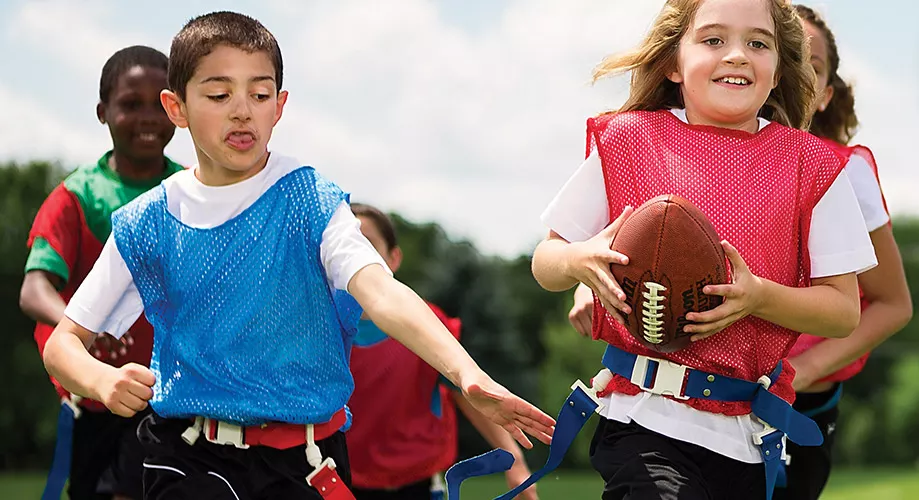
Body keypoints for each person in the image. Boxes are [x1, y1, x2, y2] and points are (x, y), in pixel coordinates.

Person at [40, 12, 555, 499]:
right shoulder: (147, 222)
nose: (242, 110)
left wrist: (470, 375)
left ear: (279, 106)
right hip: (187, 458)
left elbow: (381, 292)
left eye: (259, 94)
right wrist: (102, 381)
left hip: (307, 465)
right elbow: (62, 345)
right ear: (176, 108)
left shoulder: (309, 200)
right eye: (219, 94)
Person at [530, 0, 876, 498]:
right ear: (674, 61)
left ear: (778, 70)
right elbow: (546, 262)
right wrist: (578, 260)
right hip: (642, 417)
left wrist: (758, 296)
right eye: (713, 40)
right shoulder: (629, 140)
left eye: (758, 43)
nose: (737, 55)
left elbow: (844, 311)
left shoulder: (814, 168)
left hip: (747, 437)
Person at [23, 44, 181, 500]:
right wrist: (87, 327)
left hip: (169, 399)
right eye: (131, 104)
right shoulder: (76, 196)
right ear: (102, 112)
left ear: (178, 107)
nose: (149, 117)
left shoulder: (193, 191)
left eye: (160, 103)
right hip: (92, 396)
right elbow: (34, 289)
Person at [345, 203, 539, 500]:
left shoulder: (428, 324)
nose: (356, 254)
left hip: (418, 485)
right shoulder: (319, 332)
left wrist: (514, 460)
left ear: (393, 258)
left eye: (368, 244)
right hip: (341, 483)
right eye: (348, 244)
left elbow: (469, 393)